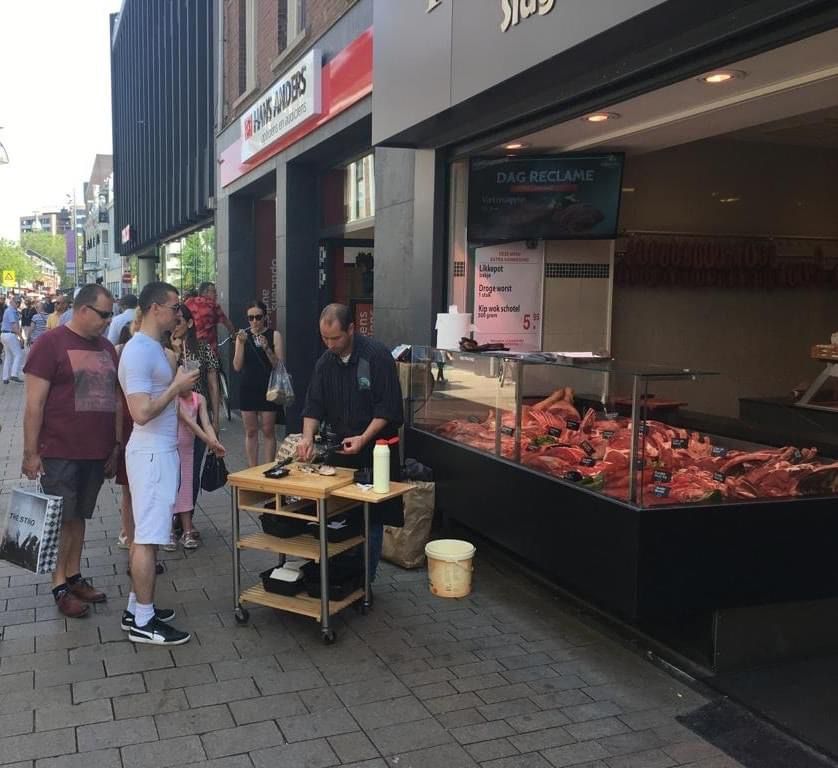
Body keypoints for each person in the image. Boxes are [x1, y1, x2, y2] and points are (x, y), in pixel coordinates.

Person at [22, 284, 122, 618]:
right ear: (82, 310)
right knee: (62, 519)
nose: (108, 321)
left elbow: (116, 400)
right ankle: (59, 584)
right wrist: (30, 453)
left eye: (110, 315)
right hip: (59, 450)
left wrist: (116, 445)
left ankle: (75, 575)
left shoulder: (108, 347)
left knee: (79, 517)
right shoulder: (49, 345)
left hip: (96, 451)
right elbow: (34, 404)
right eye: (104, 314)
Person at [297, 303, 404, 583]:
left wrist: (363, 438)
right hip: (341, 450)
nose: (330, 345)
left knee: (372, 518)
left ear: (352, 330)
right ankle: (342, 577)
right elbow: (313, 406)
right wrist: (307, 437)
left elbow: (388, 408)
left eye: (336, 338)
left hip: (377, 449)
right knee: (341, 514)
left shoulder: (376, 356)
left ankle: (364, 584)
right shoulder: (324, 362)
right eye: (325, 339)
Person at [119, 281, 199, 645]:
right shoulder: (138, 351)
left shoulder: (152, 347)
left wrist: (176, 385)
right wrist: (175, 386)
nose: (178, 313)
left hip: (159, 452)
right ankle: (144, 622)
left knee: (146, 535)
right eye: (173, 306)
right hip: (150, 452)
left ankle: (138, 608)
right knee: (149, 538)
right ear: (155, 308)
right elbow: (140, 412)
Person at [165, 304, 223, 549]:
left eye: (179, 321)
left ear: (189, 323)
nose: (174, 325)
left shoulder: (202, 348)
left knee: (191, 469)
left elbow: (212, 382)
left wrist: (216, 417)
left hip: (197, 410)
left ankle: (185, 518)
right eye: (173, 320)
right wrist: (173, 353)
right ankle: (171, 520)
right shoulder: (165, 349)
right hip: (170, 417)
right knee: (171, 472)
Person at [233, 300, 284, 466]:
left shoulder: (274, 335)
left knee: (268, 430)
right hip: (248, 386)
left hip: (268, 387)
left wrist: (267, 348)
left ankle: (268, 468)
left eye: (258, 317)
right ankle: (252, 468)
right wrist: (240, 344)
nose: (254, 321)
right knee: (251, 431)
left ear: (265, 317)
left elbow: (279, 364)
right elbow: (237, 366)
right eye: (250, 318)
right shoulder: (243, 336)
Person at [185, 281, 235, 350]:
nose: (216, 294)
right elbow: (228, 324)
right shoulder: (213, 306)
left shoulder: (189, 302)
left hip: (190, 347)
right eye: (214, 291)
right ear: (205, 292)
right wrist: (235, 337)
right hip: (209, 350)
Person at [1, 296, 25, 384]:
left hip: (4, 334)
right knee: (18, 354)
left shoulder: (10, 310)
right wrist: (21, 337)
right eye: (17, 302)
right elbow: (14, 326)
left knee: (8, 356)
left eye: (19, 302)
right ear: (12, 302)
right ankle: (14, 374)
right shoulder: (11, 311)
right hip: (10, 334)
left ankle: (5, 378)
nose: (18, 304)